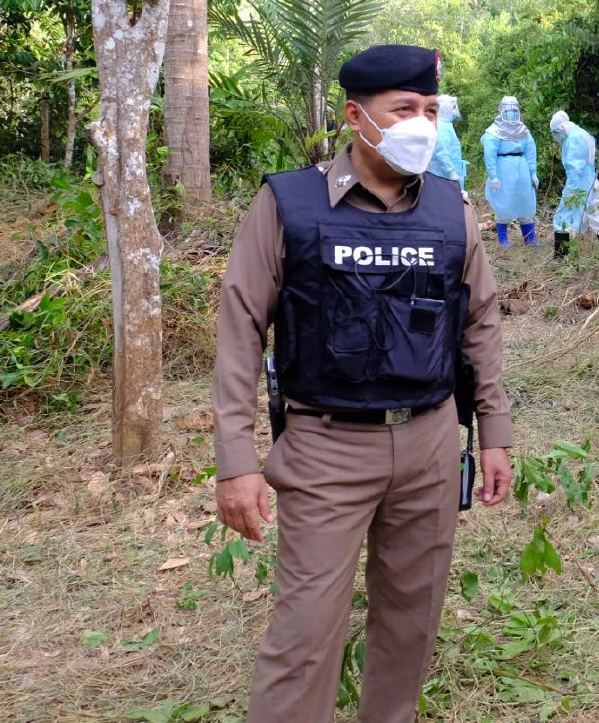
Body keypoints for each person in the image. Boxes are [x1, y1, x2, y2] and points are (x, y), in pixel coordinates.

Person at [211, 44, 514, 723]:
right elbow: (240, 331)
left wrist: (493, 434)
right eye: (404, 109)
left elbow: (480, 326)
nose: (422, 124)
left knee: (411, 625)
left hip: (431, 442)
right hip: (326, 449)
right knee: (305, 636)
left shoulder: (449, 210)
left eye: (431, 110)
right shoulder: (288, 203)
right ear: (355, 115)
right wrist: (235, 462)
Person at [549, 109, 599, 259]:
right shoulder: (582, 133)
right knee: (597, 212)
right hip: (590, 180)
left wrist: (571, 190)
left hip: (579, 183)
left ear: (561, 128)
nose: (557, 136)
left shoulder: (573, 138)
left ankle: (560, 256)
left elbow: (575, 168)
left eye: (556, 132)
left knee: (564, 215)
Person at [482, 96, 540, 247]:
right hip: (503, 169)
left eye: (514, 110)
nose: (512, 113)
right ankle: (503, 239)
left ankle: (530, 239)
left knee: (526, 201)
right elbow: (490, 154)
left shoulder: (523, 130)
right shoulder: (494, 131)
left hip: (522, 168)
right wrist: (493, 175)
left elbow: (530, 150)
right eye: (508, 110)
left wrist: (533, 172)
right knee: (504, 203)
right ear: (502, 111)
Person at [430, 93, 467, 184]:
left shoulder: (445, 125)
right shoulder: (441, 126)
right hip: (443, 174)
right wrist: (450, 171)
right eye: (452, 107)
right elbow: (441, 151)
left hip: (449, 171)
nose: (454, 110)